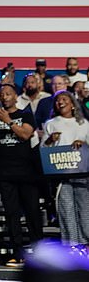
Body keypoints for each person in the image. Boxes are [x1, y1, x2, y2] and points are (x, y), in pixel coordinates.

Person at [0, 84, 43, 266]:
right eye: (2, 94)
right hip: (5, 172)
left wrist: (8, 120)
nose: (5, 96)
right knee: (11, 214)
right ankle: (18, 253)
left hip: (26, 172)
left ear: (16, 96)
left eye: (8, 94)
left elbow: (25, 135)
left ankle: (40, 254)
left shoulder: (25, 114)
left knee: (32, 212)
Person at [41, 91, 89, 247]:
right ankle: (72, 246)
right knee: (66, 209)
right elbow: (43, 149)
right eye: (57, 100)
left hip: (82, 173)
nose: (60, 102)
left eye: (64, 99)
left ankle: (86, 244)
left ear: (73, 104)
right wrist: (49, 140)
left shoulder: (84, 124)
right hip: (61, 174)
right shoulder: (51, 123)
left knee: (84, 209)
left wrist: (83, 144)